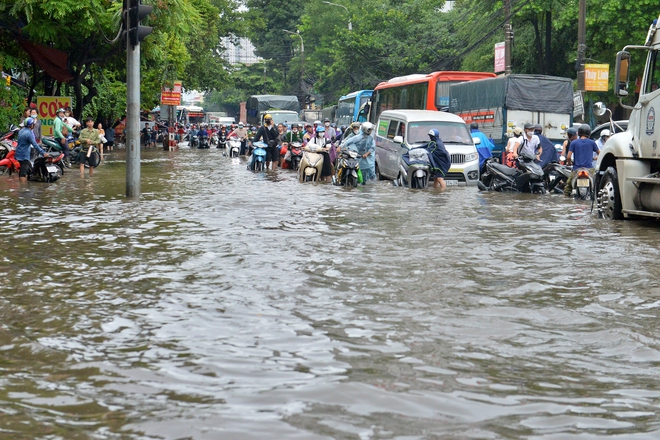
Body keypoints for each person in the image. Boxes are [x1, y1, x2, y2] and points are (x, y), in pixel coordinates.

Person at [564, 124, 600, 197]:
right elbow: (600, 153)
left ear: (579, 133)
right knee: (597, 185)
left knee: (568, 187)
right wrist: (596, 158)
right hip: (589, 169)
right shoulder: (592, 142)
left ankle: (566, 198)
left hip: (576, 169)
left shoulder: (574, 142)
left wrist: (569, 163)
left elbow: (568, 156)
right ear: (589, 133)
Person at [16, 118, 46, 183]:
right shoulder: (28, 133)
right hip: (24, 155)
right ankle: (23, 188)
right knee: (23, 172)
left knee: (26, 169)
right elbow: (35, 144)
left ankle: (25, 185)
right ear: (31, 125)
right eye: (33, 124)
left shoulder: (21, 131)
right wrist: (43, 152)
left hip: (19, 152)